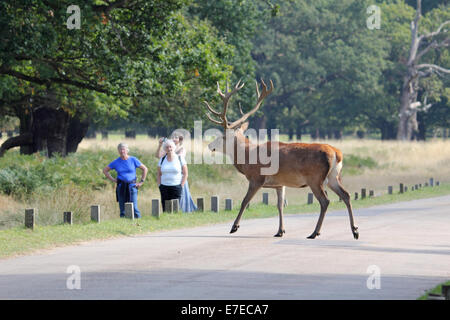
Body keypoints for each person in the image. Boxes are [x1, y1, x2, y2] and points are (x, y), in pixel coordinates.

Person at [103, 143, 148, 218]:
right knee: (122, 209)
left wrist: (141, 182)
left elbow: (145, 169)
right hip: (121, 186)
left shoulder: (133, 159)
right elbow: (105, 170)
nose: (122, 151)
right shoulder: (116, 162)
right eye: (120, 149)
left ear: (127, 150)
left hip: (132, 186)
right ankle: (124, 223)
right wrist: (113, 179)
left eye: (123, 149)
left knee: (134, 208)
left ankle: (139, 224)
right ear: (118, 151)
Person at [156, 134, 197, 212]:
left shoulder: (181, 150)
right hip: (165, 184)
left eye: (176, 137)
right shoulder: (165, 154)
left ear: (180, 139)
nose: (174, 139)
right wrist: (160, 145)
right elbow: (158, 157)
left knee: (178, 202)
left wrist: (181, 185)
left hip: (178, 181)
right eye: (173, 137)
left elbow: (184, 171)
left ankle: (184, 212)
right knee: (166, 204)